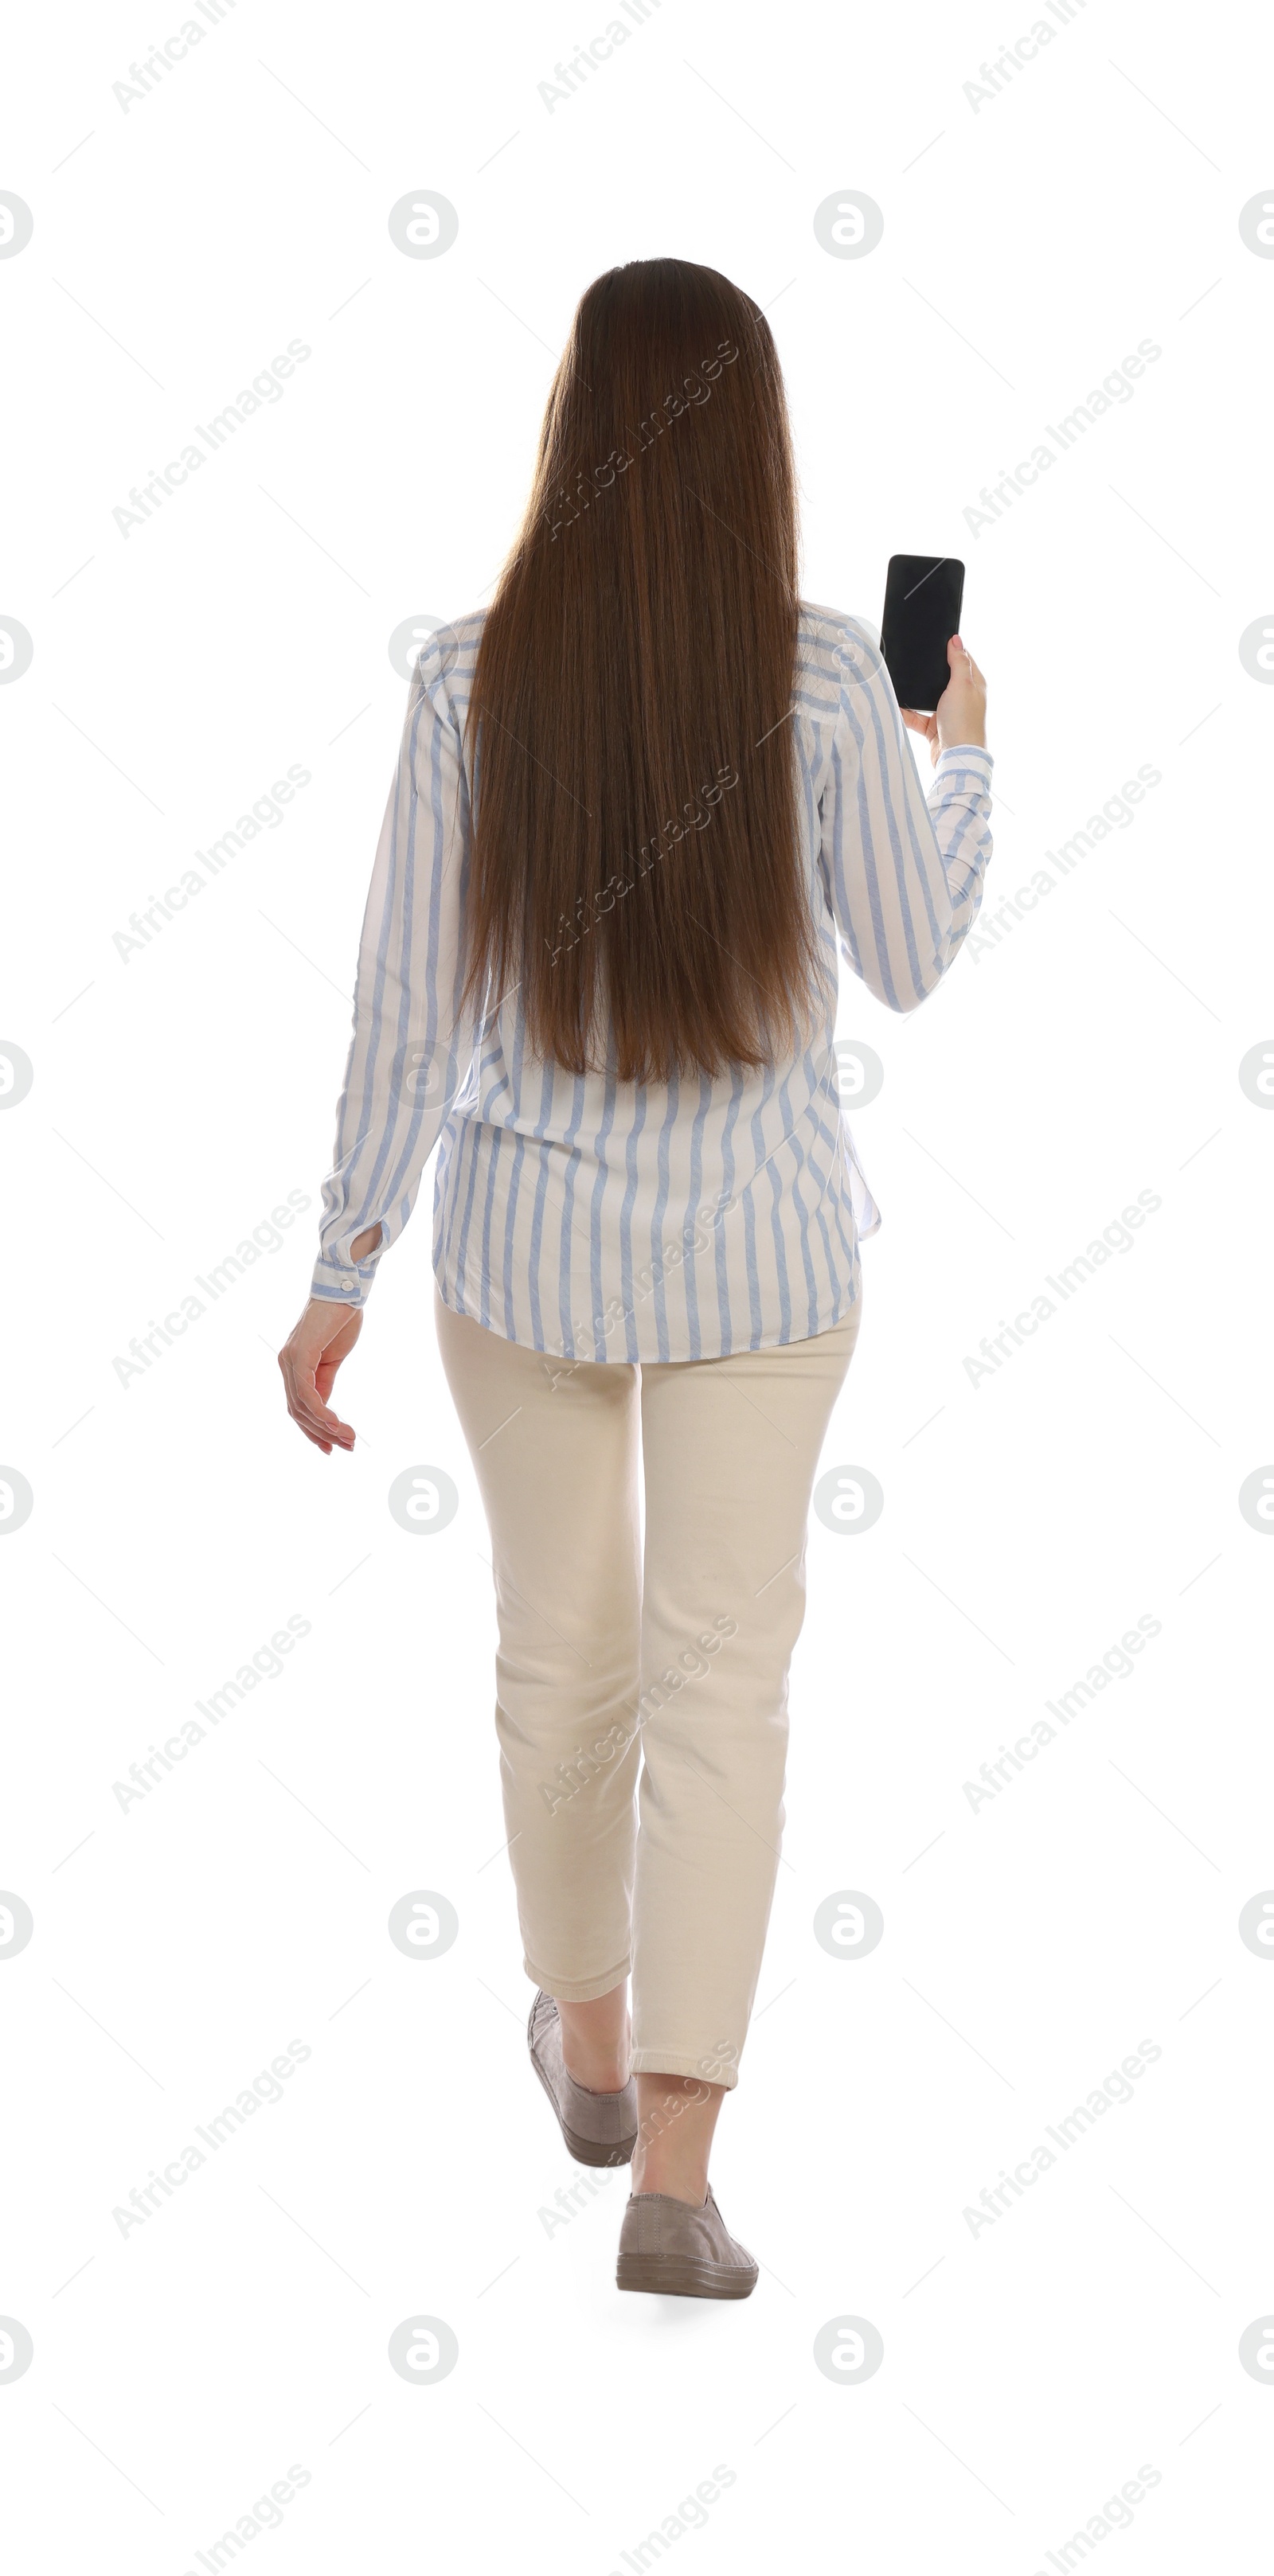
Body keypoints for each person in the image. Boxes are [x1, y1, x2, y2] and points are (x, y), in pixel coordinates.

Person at [279, 256, 991, 2301]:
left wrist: (340, 1265)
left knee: (557, 1658)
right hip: (767, 1267)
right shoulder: (833, 674)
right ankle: (670, 2177)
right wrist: (964, 754)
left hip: (520, 1260)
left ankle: (583, 2051)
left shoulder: (465, 678)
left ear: (573, 431)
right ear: (755, 441)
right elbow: (912, 960)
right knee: (723, 1684)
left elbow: (401, 1009)